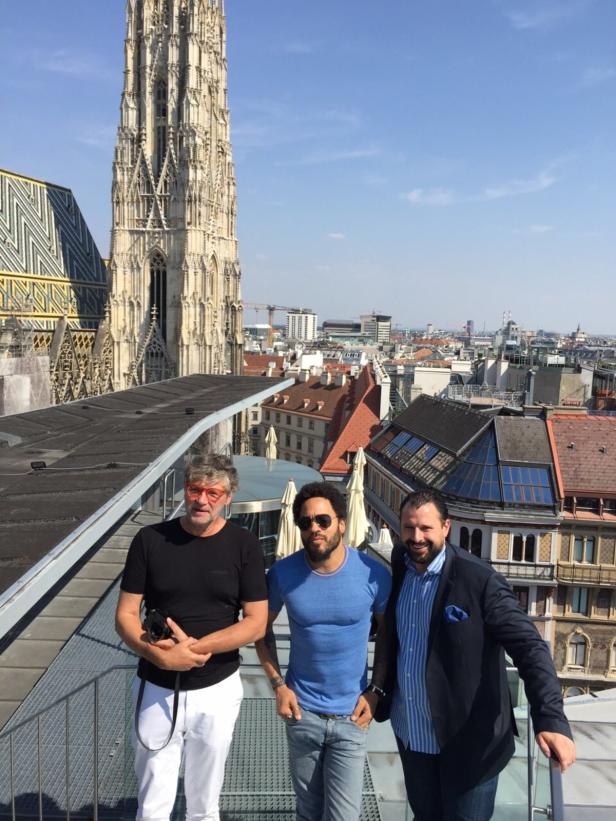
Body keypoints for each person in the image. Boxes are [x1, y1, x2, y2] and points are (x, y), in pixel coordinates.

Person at [374, 489, 575, 821]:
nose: (416, 537)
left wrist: (551, 719)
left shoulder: (480, 581)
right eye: (409, 528)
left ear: (446, 527)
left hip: (469, 744)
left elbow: (530, 648)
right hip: (412, 733)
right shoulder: (401, 562)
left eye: (426, 528)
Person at [115, 454, 268, 821]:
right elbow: (124, 615)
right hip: (157, 685)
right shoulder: (150, 539)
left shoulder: (244, 544)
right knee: (152, 803)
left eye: (213, 493)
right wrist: (162, 657)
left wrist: (195, 649)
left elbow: (256, 622)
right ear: (185, 490)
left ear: (228, 497)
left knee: (204, 804)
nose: (202, 499)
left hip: (216, 689)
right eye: (195, 489)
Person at [256, 481, 392, 821]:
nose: (314, 529)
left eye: (322, 521)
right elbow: (260, 629)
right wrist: (278, 685)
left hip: (351, 717)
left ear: (342, 524)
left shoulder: (373, 574)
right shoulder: (283, 573)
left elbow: (389, 635)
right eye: (305, 522)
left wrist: (376, 690)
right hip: (302, 714)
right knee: (308, 813)